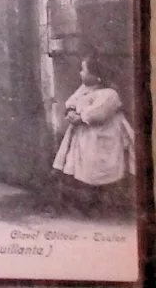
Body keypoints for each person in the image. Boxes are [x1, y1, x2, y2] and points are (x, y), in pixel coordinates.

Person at [52, 53, 136, 216]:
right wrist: (70, 110)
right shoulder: (84, 89)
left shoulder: (110, 94)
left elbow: (97, 114)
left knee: (100, 166)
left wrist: (80, 116)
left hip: (103, 136)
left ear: (97, 76)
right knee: (83, 166)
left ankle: (105, 202)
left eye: (83, 70)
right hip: (84, 136)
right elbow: (71, 101)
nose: (80, 73)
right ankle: (87, 201)